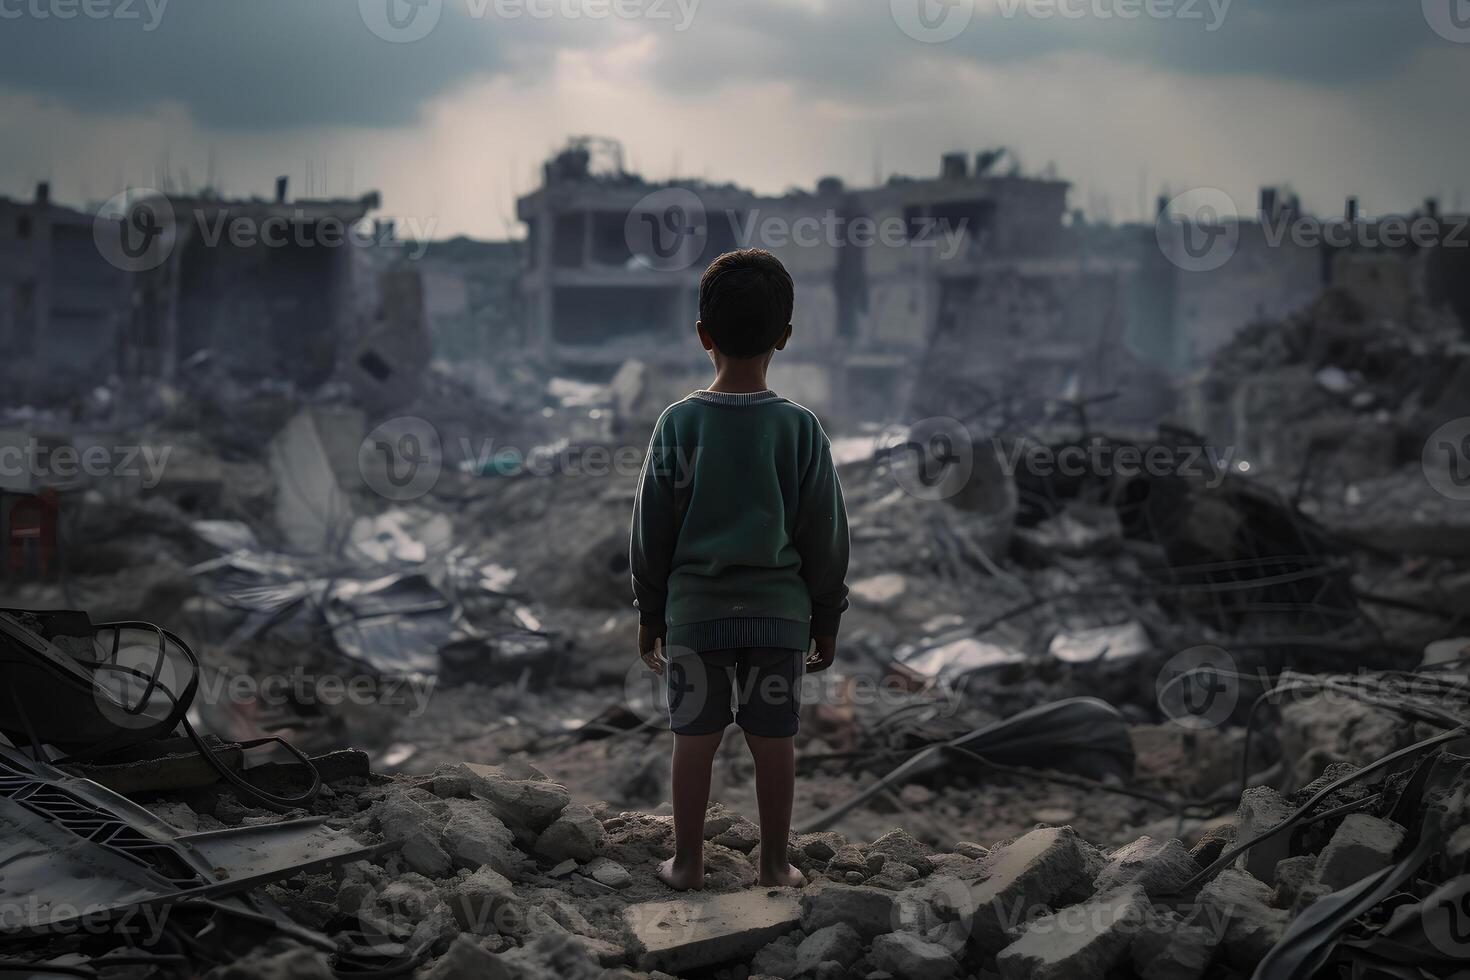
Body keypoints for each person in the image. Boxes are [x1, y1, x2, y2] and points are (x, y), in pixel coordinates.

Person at [630, 247, 850, 890]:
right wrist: (826, 617)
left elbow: (652, 530)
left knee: (694, 736)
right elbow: (826, 535)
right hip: (780, 617)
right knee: (773, 738)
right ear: (785, 336)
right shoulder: (802, 429)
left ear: (702, 335)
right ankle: (776, 865)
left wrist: (650, 612)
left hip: (697, 614)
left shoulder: (678, 423)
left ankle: (689, 863)